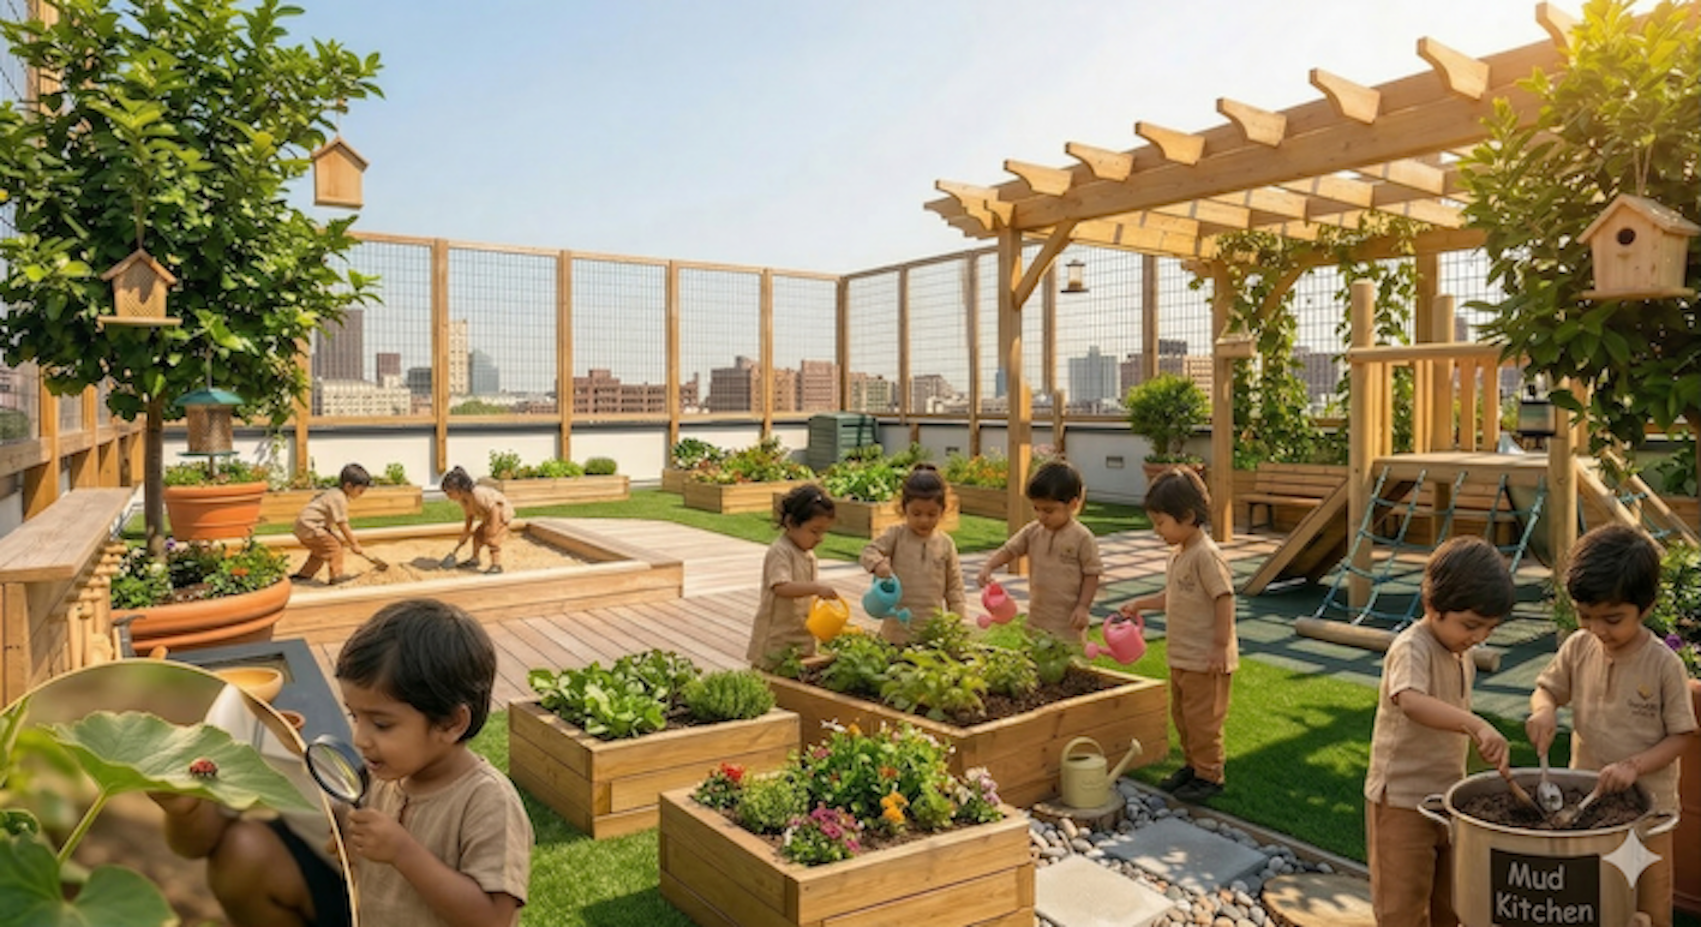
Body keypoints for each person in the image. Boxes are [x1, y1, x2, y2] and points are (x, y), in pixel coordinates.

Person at [1526, 524, 1698, 927]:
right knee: (1586, 900)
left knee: (1646, 906)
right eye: (1586, 616)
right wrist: (1544, 711)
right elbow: (1546, 690)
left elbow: (1681, 735)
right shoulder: (1579, 646)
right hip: (1584, 806)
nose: (1598, 629)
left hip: (1647, 814)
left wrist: (1634, 766)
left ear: (1647, 607)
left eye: (1613, 619)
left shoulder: (1663, 665)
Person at [334, 598, 532, 927]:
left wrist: (402, 852)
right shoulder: (383, 778)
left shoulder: (488, 801)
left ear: (451, 723)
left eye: (381, 724)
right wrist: (339, 823)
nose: (360, 738)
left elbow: (493, 918)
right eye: (355, 716)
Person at [1364, 535, 1515, 927]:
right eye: (1471, 625)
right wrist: (1474, 723)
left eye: (1489, 629)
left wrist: (1476, 736)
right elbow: (1411, 700)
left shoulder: (1459, 652)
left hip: (1447, 800)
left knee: (1452, 901)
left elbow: (1447, 714)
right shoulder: (1411, 646)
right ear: (1433, 606)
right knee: (1403, 905)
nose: (1479, 637)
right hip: (1401, 801)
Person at [153, 685, 351, 927]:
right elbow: (195, 843)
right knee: (243, 852)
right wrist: (184, 808)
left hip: (406, 876)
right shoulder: (248, 698)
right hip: (337, 880)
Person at [1118, 466, 1235, 804]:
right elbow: (1173, 597)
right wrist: (1141, 603)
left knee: (1204, 722)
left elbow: (1223, 598)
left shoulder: (1206, 556)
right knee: (1183, 718)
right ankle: (1192, 766)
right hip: (1182, 657)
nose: (1157, 531)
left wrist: (1219, 645)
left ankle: (1210, 775)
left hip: (1206, 661)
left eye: (1160, 523)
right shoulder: (1179, 555)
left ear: (1187, 516)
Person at [976, 460, 1103, 644]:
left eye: (1049, 510)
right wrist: (988, 566)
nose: (1041, 516)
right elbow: (1010, 549)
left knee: (1067, 665)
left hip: (1068, 623)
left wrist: (1083, 607)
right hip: (1037, 618)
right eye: (1037, 508)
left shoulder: (1082, 538)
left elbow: (1092, 574)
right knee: (1035, 660)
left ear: (1073, 505)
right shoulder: (1033, 531)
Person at [858, 463, 966, 644]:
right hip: (897, 630)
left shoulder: (946, 544)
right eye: (916, 513)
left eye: (932, 514)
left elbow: (954, 587)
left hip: (931, 630)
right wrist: (878, 564)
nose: (924, 520)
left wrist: (957, 619)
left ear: (943, 510)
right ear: (904, 508)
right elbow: (869, 552)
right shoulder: (896, 535)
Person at [747, 484, 840, 670]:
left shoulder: (808, 555)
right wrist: (817, 588)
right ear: (791, 523)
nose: (820, 538)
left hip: (801, 630)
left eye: (823, 532)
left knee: (798, 674)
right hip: (776, 635)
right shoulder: (780, 551)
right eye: (814, 531)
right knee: (769, 674)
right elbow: (781, 586)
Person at [291, 463, 373, 585]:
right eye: (360, 490)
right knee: (335, 548)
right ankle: (337, 576)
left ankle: (304, 575)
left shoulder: (333, 493)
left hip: (304, 526)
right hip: (310, 526)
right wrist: (354, 544)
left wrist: (332, 534)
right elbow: (342, 523)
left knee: (320, 550)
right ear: (349, 486)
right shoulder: (339, 498)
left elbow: (322, 517)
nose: (361, 494)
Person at [441, 466, 514, 575]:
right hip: (489, 516)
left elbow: (495, 509)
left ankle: (496, 565)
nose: (448, 496)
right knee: (477, 535)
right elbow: (469, 515)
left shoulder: (478, 494)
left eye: (450, 493)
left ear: (460, 489)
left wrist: (493, 529)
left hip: (502, 513)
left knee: (492, 540)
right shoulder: (464, 500)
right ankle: (474, 559)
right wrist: (466, 532)